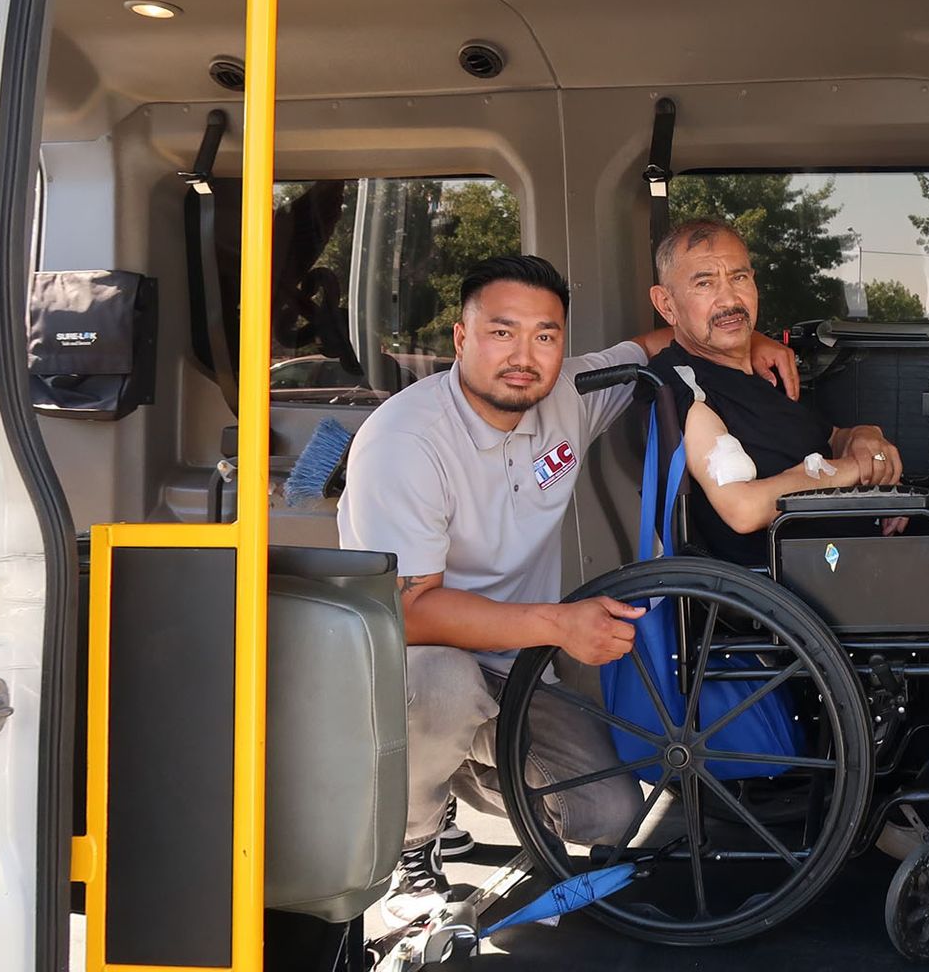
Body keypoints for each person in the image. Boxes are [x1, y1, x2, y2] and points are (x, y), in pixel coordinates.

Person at [644, 219, 929, 925]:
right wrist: (846, 474)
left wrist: (863, 439)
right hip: (803, 599)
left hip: (854, 570)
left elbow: (821, 443)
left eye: (740, 277)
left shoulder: (760, 373)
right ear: (667, 305)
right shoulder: (688, 393)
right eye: (704, 283)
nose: (729, 297)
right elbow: (738, 507)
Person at [337, 253, 801, 926]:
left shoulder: (570, 392)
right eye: (502, 331)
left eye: (546, 335)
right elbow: (410, 613)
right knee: (440, 685)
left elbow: (655, 343)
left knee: (608, 812)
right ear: (462, 339)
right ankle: (408, 846)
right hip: (411, 661)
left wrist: (747, 341)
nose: (524, 354)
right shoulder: (405, 440)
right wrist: (559, 625)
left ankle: (449, 773)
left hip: (516, 667)